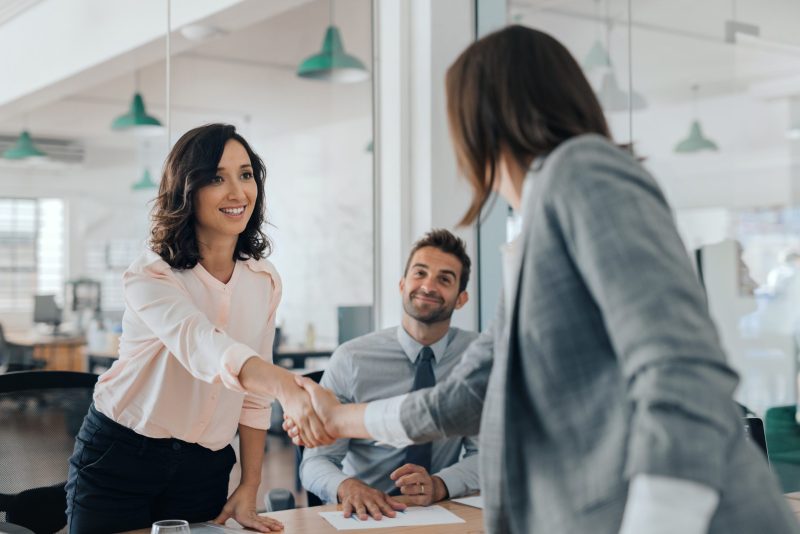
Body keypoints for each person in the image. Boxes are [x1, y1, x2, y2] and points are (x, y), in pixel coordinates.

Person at [285, 26, 800, 534]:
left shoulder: (583, 170)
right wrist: (342, 419)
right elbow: (469, 396)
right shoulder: (534, 231)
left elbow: (681, 367)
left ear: (480, 117)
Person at [65, 124, 333, 534]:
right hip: (122, 455)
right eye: (215, 178)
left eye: (245, 175)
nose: (237, 192)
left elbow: (252, 397)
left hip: (204, 466)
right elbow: (203, 346)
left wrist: (250, 483)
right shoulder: (152, 275)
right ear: (187, 190)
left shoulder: (264, 281)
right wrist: (286, 386)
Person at [299, 229, 480, 520]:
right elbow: (316, 461)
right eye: (420, 273)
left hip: (440, 512)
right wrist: (347, 487)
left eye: (444, 279)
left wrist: (439, 485)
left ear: (461, 298)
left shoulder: (477, 358)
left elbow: (487, 453)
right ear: (402, 284)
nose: (428, 286)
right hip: (365, 516)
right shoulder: (352, 359)